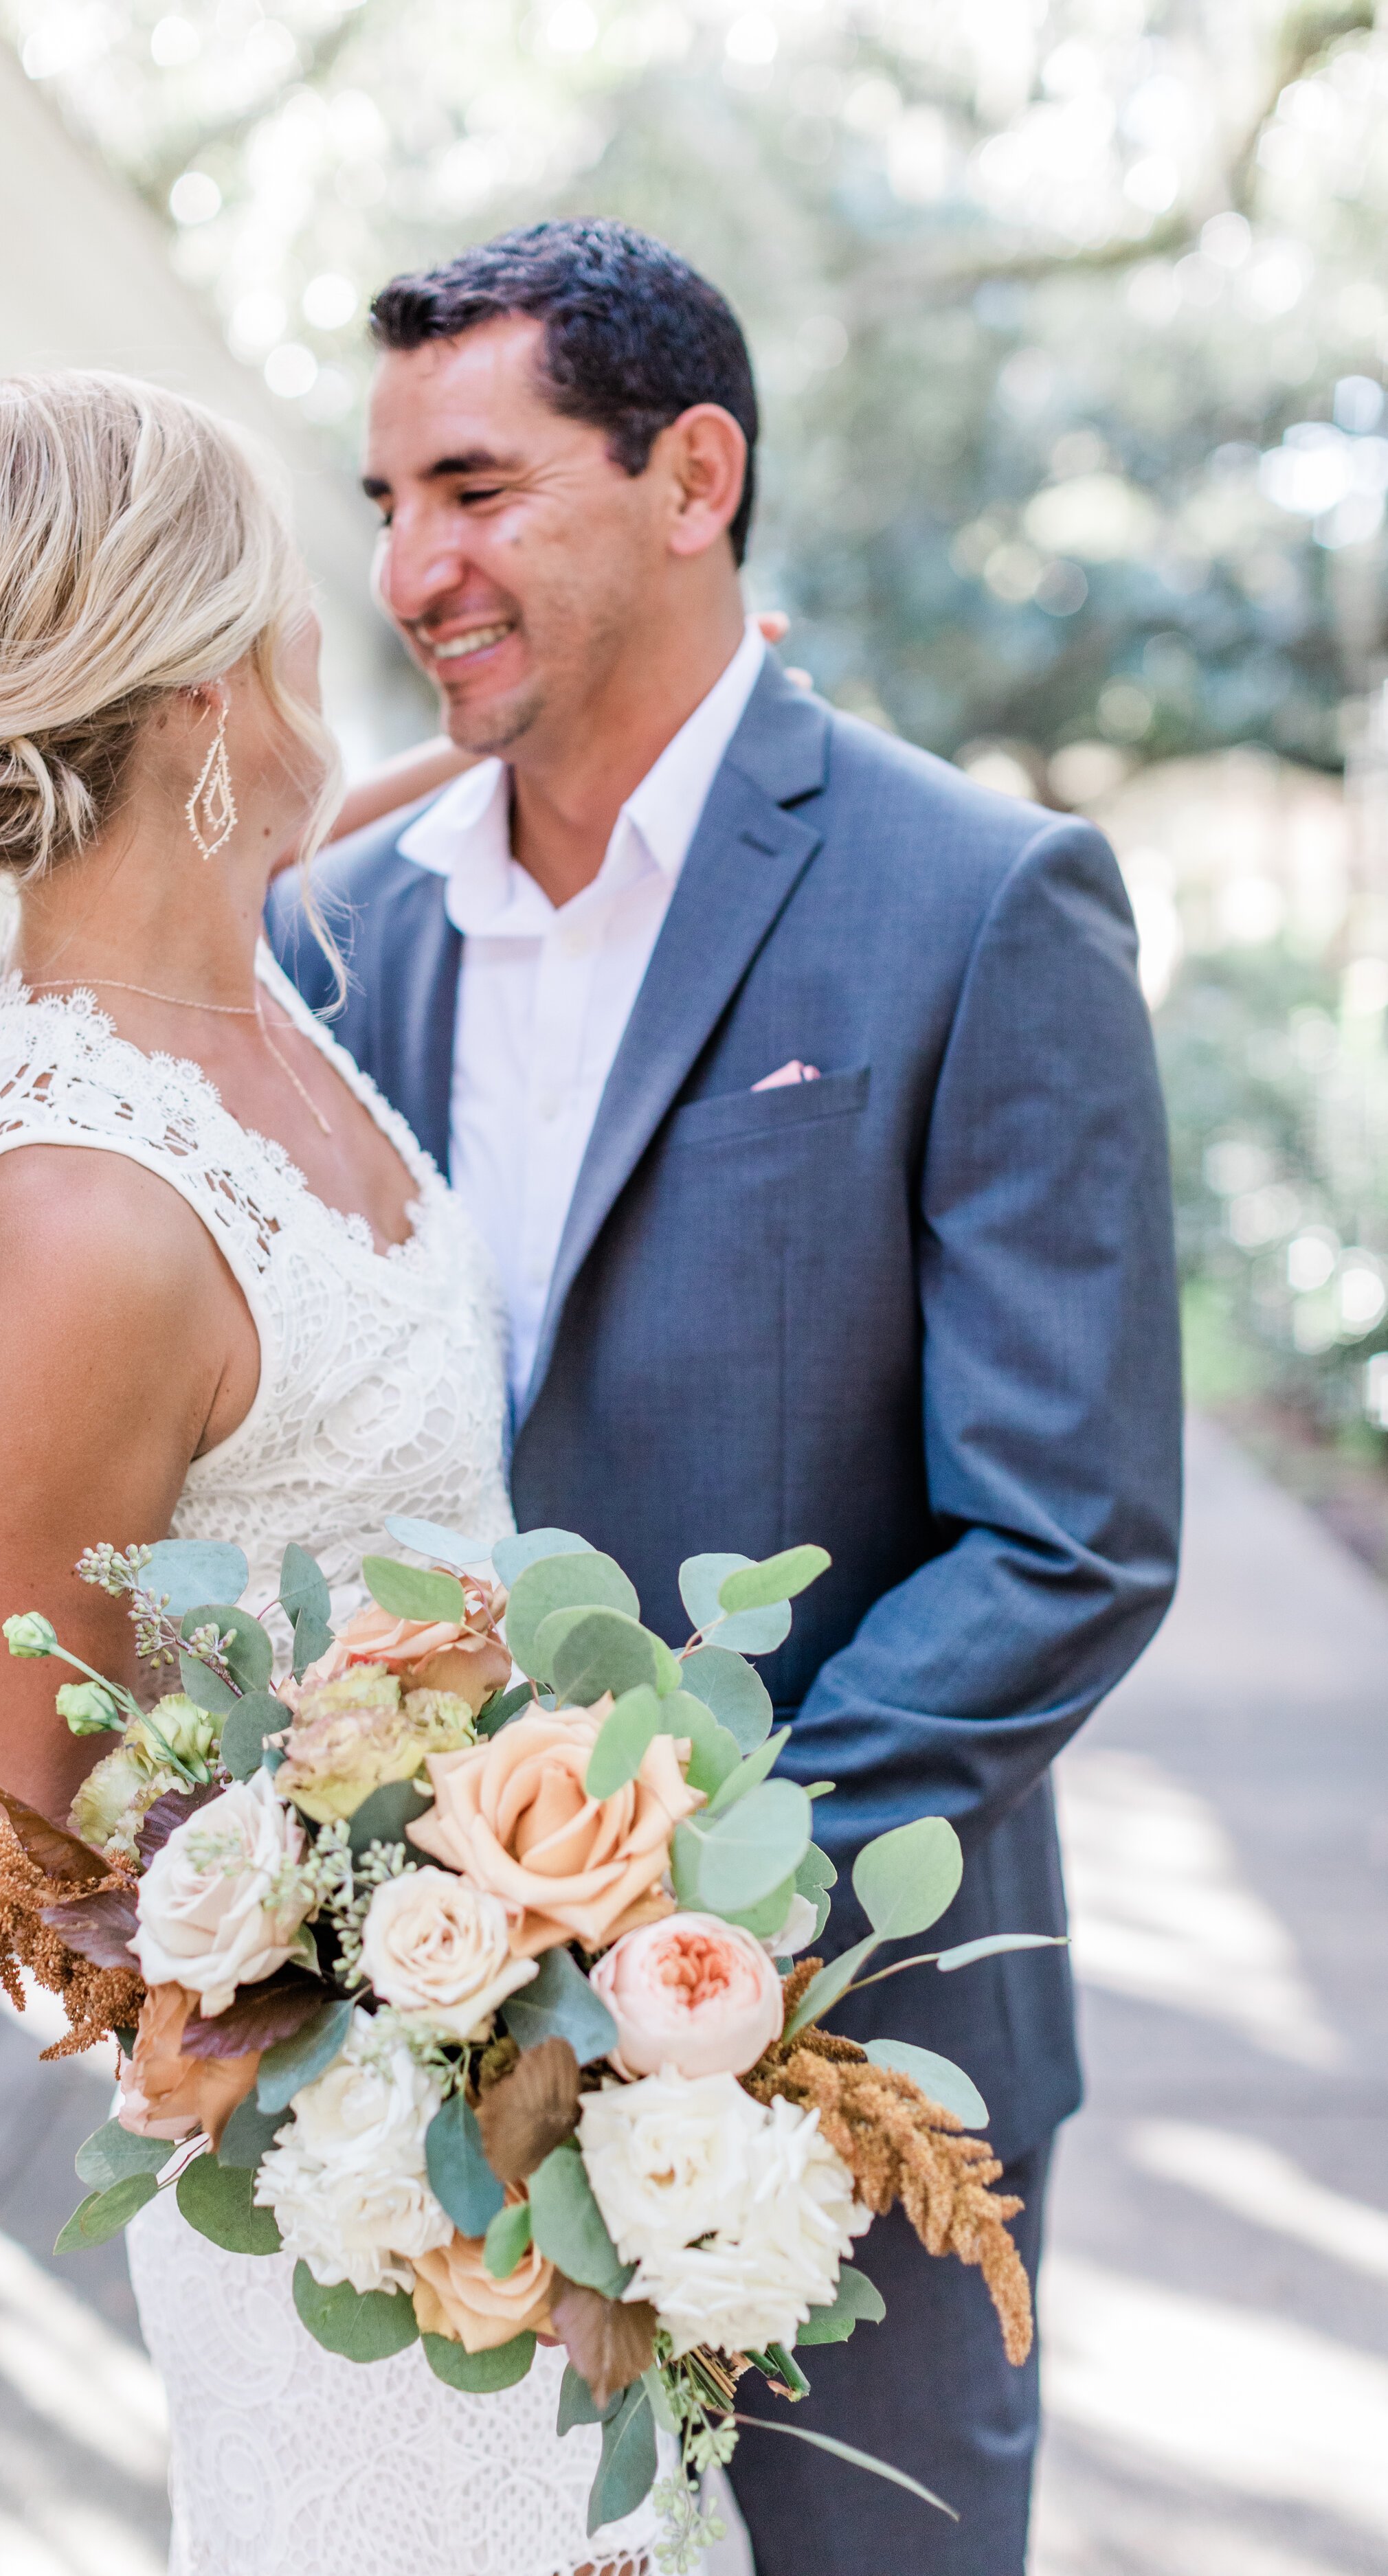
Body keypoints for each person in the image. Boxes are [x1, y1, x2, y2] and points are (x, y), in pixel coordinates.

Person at [272, 218, 1184, 2576]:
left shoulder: (980, 899)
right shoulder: (339, 940)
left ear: (694, 474)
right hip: (419, 2072)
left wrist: (690, 1929)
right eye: (384, 505)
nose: (411, 567)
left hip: (856, 2058)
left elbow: (1064, 1526)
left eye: (472, 489)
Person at [0, 371, 664, 2576]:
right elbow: (12, 1853)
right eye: (299, 593)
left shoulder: (239, 989)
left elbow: (347, 804)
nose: (342, 621)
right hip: (351, 2200)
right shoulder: (80, 1224)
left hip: (547, 2098)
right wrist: (429, 2007)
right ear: (202, 695)